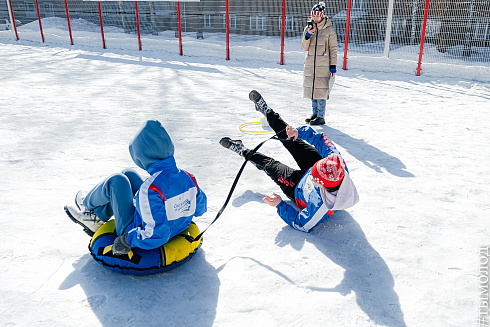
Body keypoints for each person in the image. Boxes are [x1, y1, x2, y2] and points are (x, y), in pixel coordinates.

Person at [219, 91, 358, 232]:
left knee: (271, 166)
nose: (312, 176)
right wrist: (299, 132)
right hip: (317, 169)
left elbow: (302, 223)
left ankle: (243, 151)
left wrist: (280, 205)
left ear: (321, 186)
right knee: (291, 138)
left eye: (315, 178)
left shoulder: (321, 207)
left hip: (298, 189)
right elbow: (320, 139)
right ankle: (267, 111)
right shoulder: (335, 161)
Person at [64, 120, 207, 255]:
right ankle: (98, 215)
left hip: (135, 230)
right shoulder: (188, 177)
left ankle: (88, 205)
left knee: (117, 180)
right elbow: (200, 209)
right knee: (129, 173)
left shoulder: (151, 189)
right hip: (176, 225)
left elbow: (157, 235)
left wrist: (127, 240)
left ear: (142, 156)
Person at [302, 1, 338, 125]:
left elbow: (333, 49)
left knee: (321, 91)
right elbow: (304, 47)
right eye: (313, 15)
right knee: (313, 89)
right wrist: (307, 36)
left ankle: (321, 117)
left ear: (322, 15)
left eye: (317, 15)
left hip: (323, 65)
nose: (315, 18)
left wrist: (333, 66)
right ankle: (315, 113)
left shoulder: (329, 30)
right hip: (311, 64)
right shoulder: (308, 28)